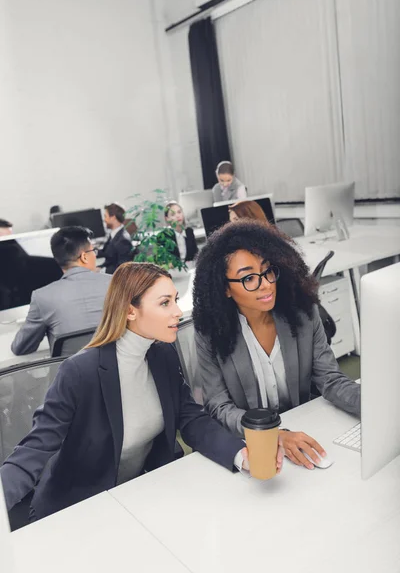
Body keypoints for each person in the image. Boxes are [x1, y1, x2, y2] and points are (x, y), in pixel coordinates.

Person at [0, 262, 277, 521]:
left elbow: (192, 419)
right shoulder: (80, 371)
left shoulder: (162, 355)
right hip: (80, 508)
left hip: (142, 494)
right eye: (164, 303)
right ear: (130, 311)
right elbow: (36, 448)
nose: (178, 312)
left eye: (175, 300)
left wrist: (240, 455)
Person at [193, 220, 361, 471]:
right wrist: (272, 434)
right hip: (256, 451)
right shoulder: (211, 333)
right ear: (225, 288)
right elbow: (219, 407)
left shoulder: (303, 313)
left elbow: (331, 380)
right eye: (248, 278)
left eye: (268, 270)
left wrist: (376, 405)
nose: (265, 284)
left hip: (306, 432)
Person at [11, 226, 111, 356]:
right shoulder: (117, 283)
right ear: (84, 257)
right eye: (94, 251)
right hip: (119, 371)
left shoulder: (42, 297)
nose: (95, 255)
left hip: (73, 375)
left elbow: (20, 347)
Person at [99, 203, 133, 274]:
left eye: (106, 216)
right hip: (107, 269)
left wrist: (101, 270)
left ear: (113, 217)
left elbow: (123, 268)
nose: (104, 220)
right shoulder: (114, 234)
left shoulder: (123, 240)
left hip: (113, 277)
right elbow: (105, 252)